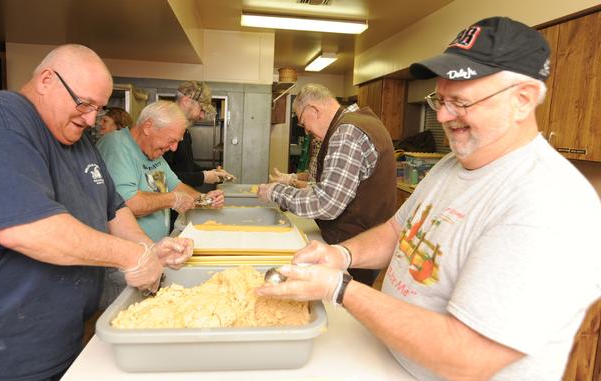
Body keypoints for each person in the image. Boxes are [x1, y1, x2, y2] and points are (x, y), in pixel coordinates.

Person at [256, 17, 601, 381]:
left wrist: (338, 287)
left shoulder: (548, 203)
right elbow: (396, 231)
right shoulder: (453, 163)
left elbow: (468, 356)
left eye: (460, 102)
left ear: (522, 99)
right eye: (440, 98)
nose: (442, 115)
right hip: (389, 359)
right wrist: (342, 255)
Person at [0, 44, 193, 380]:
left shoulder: (79, 140)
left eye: (97, 109)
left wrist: (148, 249)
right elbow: (26, 228)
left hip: (63, 341)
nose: (90, 119)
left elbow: (114, 209)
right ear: (46, 80)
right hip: (2, 355)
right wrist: (130, 256)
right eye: (83, 104)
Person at [258, 83, 397, 286]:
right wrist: (293, 181)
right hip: (367, 243)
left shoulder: (347, 132)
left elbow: (326, 204)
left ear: (314, 110)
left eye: (304, 123)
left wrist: (276, 192)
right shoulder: (360, 121)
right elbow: (331, 185)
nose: (306, 131)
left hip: (356, 247)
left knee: (343, 314)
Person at [97, 100, 225, 241]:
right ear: (148, 127)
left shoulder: (153, 152)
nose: (174, 148)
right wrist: (172, 199)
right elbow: (127, 203)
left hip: (155, 248)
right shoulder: (116, 147)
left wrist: (204, 199)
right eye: (171, 140)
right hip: (128, 254)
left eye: (177, 142)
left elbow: (176, 186)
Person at [162, 80, 235, 188]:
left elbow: (187, 166)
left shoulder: (185, 131)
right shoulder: (165, 128)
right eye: (201, 109)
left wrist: (212, 172)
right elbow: (162, 177)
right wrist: (203, 177)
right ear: (186, 101)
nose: (202, 116)